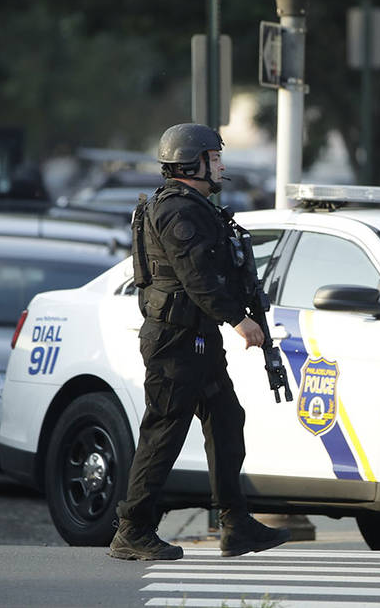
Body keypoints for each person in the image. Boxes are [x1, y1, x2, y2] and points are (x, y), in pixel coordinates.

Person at [108, 123, 290, 561]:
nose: (222, 166)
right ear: (194, 162)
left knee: (227, 421)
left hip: (197, 338)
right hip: (175, 340)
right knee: (164, 431)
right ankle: (132, 530)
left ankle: (236, 525)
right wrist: (239, 320)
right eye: (215, 158)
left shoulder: (198, 207)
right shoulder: (178, 212)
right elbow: (197, 278)